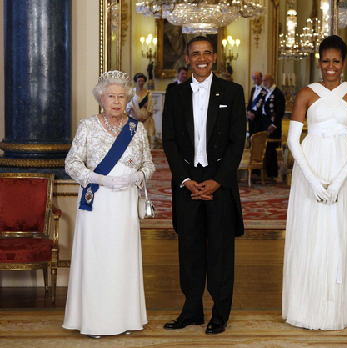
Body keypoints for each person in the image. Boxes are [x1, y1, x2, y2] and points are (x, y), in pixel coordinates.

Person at [282, 35, 347, 330]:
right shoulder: (306, 93)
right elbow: (294, 140)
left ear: (344, 63)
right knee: (310, 235)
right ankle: (305, 309)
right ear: (319, 62)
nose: (330, 66)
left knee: (337, 236)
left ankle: (337, 311)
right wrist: (315, 182)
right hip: (311, 169)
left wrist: (337, 182)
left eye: (336, 61)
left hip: (342, 171)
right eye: (325, 61)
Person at [162, 36, 246, 335]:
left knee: (221, 251)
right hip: (186, 180)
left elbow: (237, 142)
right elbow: (169, 141)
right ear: (188, 58)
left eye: (207, 53)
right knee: (189, 249)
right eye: (195, 53)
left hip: (219, 182)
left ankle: (220, 314)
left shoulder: (233, 92)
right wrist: (185, 180)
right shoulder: (175, 93)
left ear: (215, 57)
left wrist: (218, 180)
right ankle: (192, 310)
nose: (201, 58)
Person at [63, 70, 155, 338]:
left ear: (127, 99)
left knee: (121, 259)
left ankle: (125, 319)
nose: (116, 101)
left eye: (121, 96)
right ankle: (95, 322)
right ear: (101, 99)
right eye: (111, 96)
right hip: (97, 202)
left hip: (125, 203)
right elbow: (71, 163)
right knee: (98, 259)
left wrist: (138, 175)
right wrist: (98, 178)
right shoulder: (88, 126)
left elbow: (148, 164)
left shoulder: (135, 130)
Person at [261, 73, 285, 180]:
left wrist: (274, 125)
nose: (264, 83)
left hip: (273, 125)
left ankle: (272, 173)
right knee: (266, 149)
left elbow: (280, 111)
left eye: (265, 81)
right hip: (265, 123)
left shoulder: (278, 93)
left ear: (271, 80)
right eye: (263, 81)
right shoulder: (266, 92)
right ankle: (266, 172)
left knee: (272, 150)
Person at [127, 73, 156, 147]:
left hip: (145, 119)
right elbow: (129, 106)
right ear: (136, 81)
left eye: (142, 81)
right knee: (135, 138)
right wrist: (136, 117)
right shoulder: (132, 92)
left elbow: (150, 107)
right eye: (139, 81)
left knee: (145, 139)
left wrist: (145, 117)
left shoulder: (148, 93)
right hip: (134, 118)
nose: (141, 83)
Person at [246, 71, 266, 136]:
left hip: (259, 118)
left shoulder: (265, 90)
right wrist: (248, 112)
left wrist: (254, 115)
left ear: (261, 78)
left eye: (258, 78)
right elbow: (250, 103)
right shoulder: (253, 89)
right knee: (251, 136)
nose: (256, 80)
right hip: (251, 119)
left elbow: (264, 106)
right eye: (254, 78)